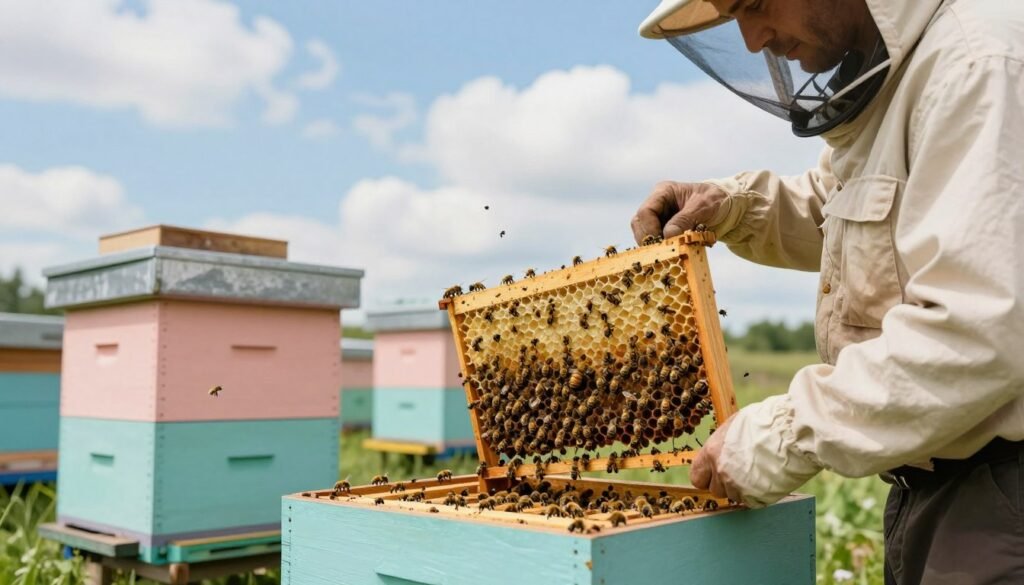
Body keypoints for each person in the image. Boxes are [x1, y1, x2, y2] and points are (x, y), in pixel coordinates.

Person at [633, 1, 1024, 583]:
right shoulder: (900, 72)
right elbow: (857, 207)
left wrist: (787, 434)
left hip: (1001, 491)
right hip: (947, 489)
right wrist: (737, 206)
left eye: (756, 3)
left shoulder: (978, 64)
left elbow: (978, 329)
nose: (751, 39)